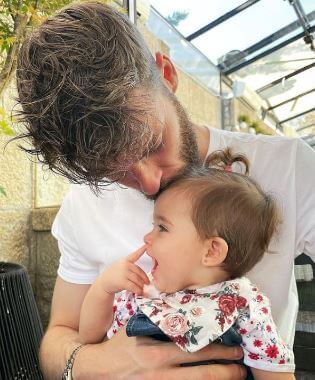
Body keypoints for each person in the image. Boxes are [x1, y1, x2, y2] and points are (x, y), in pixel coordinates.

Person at [15, 1, 315, 379]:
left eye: (153, 142)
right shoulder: (82, 209)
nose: (152, 182)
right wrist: (97, 364)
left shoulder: (290, 168)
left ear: (167, 74)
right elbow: (59, 336)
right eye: (117, 173)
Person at [79, 151, 295, 380]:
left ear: (211, 251)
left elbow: (274, 374)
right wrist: (102, 289)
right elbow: (90, 337)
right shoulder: (143, 291)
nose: (147, 237)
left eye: (162, 228)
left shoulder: (245, 305)